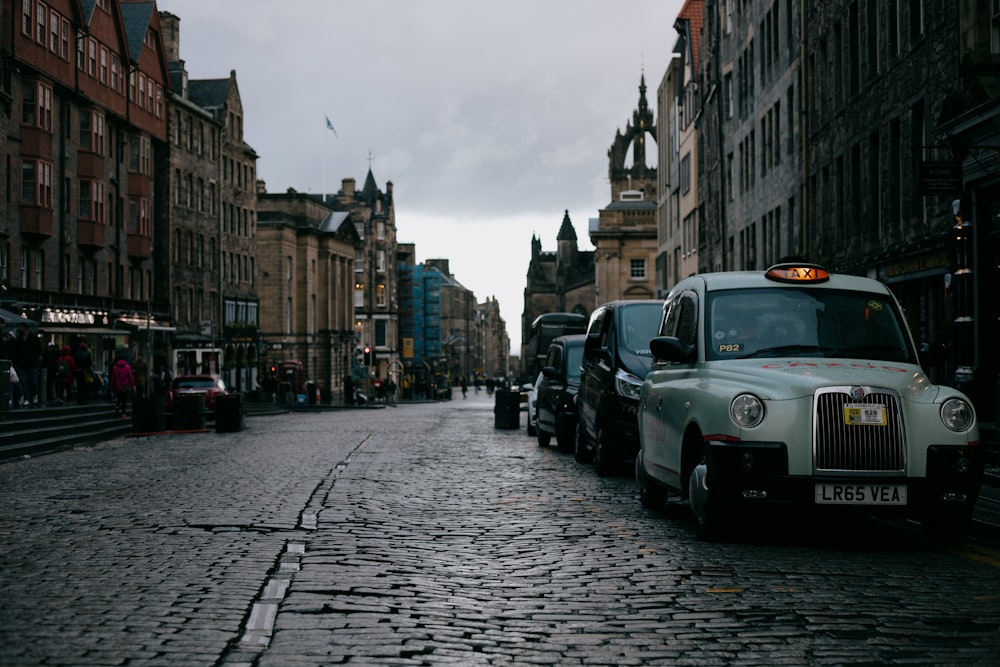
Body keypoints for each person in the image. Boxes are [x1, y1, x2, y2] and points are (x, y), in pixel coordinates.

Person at [12, 322, 41, 407]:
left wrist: (34, 358)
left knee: (33, 381)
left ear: (25, 328)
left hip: (31, 363)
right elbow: (16, 351)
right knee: (24, 382)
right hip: (22, 364)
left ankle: (34, 394)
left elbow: (38, 350)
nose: (19, 329)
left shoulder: (33, 338)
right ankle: (27, 398)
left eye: (21, 327)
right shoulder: (19, 339)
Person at [109, 354, 135, 418]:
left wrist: (111, 386)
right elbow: (130, 377)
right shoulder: (127, 367)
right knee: (124, 400)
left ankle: (117, 408)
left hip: (117, 386)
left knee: (118, 398)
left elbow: (113, 378)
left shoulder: (115, 367)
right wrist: (133, 385)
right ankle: (123, 413)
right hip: (125, 386)